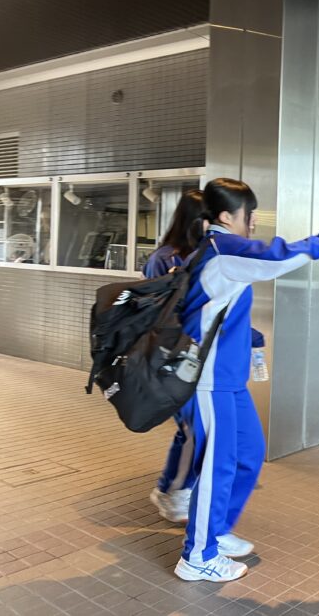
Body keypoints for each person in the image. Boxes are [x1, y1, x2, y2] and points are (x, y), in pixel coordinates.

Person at [174, 178, 319, 582]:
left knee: (248, 453)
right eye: (249, 214)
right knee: (218, 465)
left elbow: (222, 309)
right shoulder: (223, 248)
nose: (253, 221)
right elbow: (276, 257)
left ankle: (215, 532)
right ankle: (198, 556)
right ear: (227, 216)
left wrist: (251, 339)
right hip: (208, 380)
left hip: (228, 378)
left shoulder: (219, 249)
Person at [144, 190, 205, 523]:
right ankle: (174, 491)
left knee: (191, 428)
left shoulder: (202, 254)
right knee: (193, 429)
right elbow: (159, 310)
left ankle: (173, 487)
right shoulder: (168, 258)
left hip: (190, 357)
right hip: (172, 357)